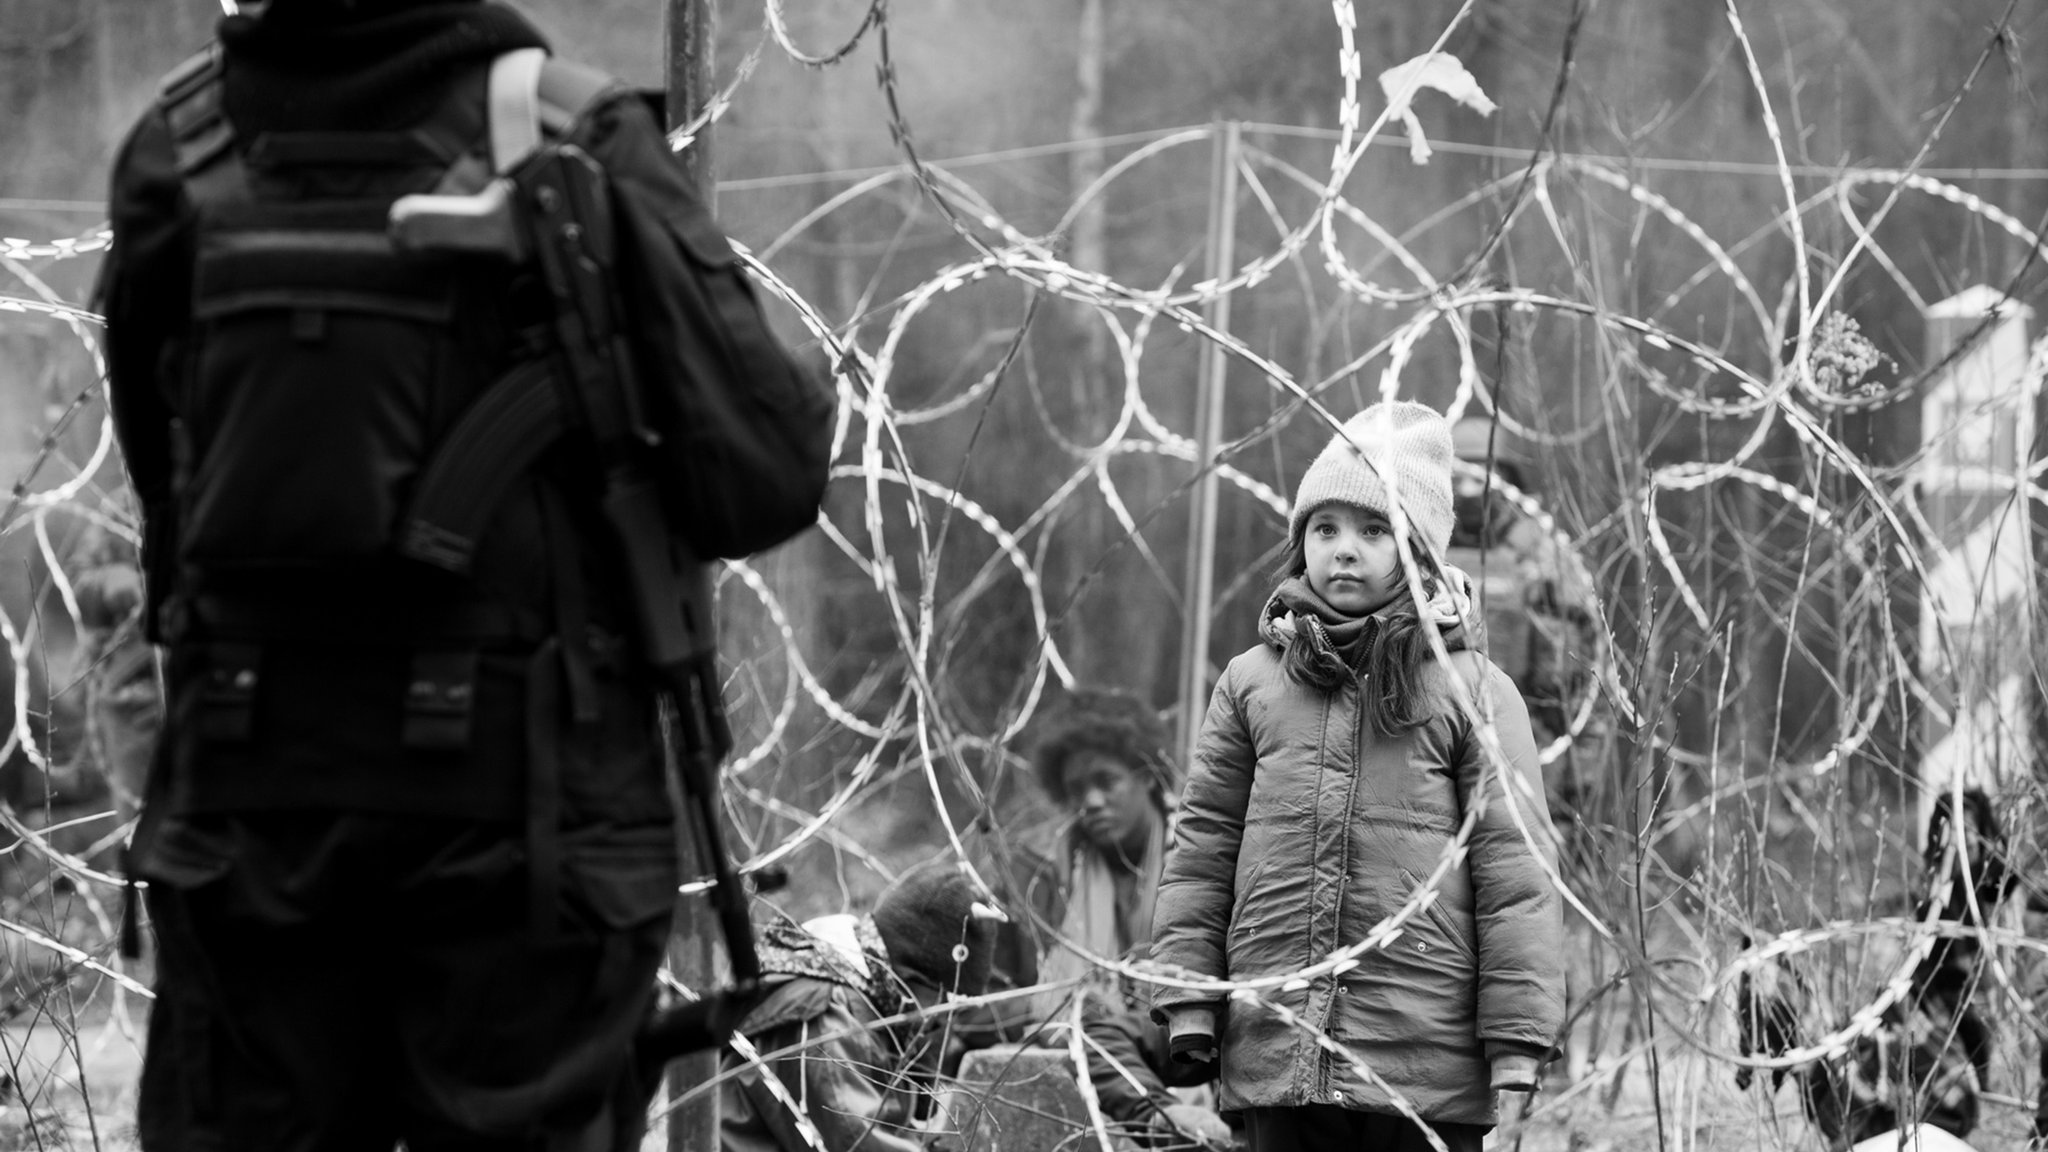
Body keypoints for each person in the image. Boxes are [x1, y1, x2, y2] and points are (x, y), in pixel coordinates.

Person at [94, 1, 832, 1148]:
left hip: (250, 794)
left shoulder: (178, 148)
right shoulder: (565, 132)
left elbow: (167, 499)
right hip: (527, 819)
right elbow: (761, 476)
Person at [1148, 400, 1567, 1152]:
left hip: (1424, 1068)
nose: (1346, 550)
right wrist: (1190, 1003)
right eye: (1326, 528)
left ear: (1424, 553)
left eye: (1377, 531)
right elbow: (1202, 849)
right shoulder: (1250, 682)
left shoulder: (1472, 689)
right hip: (1275, 1047)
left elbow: (1517, 873)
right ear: (1300, 541)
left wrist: (1517, 1038)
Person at [993, 691, 1235, 1148]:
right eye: (1077, 789)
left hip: (1190, 1042)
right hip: (1089, 1057)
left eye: (1106, 781)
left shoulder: (1204, 856)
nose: (1091, 801)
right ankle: (1163, 1122)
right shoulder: (1039, 874)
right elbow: (1005, 991)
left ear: (1145, 776)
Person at [719, 857, 1006, 1152]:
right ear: (911, 974)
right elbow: (855, 1142)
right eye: (947, 1004)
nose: (948, 1022)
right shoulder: (826, 1022)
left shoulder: (872, 1003)